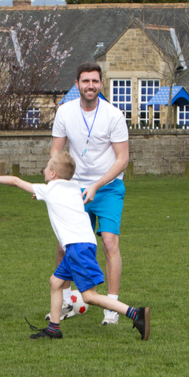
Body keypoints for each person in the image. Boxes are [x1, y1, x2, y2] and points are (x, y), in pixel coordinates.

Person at [0, 154, 149, 341]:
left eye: (46, 167)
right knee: (55, 282)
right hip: (82, 243)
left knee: (89, 296)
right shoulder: (74, 186)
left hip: (77, 247)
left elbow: (16, 181)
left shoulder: (50, 190)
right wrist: (43, 195)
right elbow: (61, 199)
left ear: (52, 173)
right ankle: (53, 329)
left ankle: (135, 314)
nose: (43, 170)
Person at [49, 62, 130, 326]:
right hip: (75, 188)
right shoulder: (64, 112)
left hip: (108, 187)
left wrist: (96, 185)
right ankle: (71, 301)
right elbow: (56, 154)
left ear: (101, 84)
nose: (90, 86)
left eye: (95, 81)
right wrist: (57, 186)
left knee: (109, 243)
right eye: (85, 81)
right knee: (65, 246)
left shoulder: (114, 115)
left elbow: (122, 159)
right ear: (77, 84)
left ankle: (113, 306)